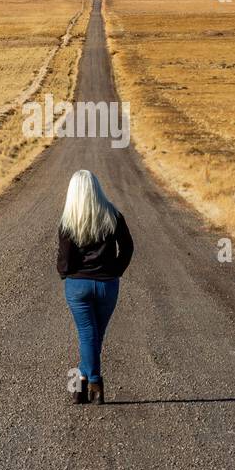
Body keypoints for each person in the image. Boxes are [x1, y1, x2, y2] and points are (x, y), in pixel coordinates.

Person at [56, 169, 133, 405]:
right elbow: (127, 247)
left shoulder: (69, 219)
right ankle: (81, 382)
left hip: (78, 286)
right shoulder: (113, 215)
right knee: (94, 335)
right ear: (96, 188)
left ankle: (94, 382)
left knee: (88, 334)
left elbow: (65, 259)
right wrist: (115, 270)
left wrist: (65, 274)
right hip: (107, 285)